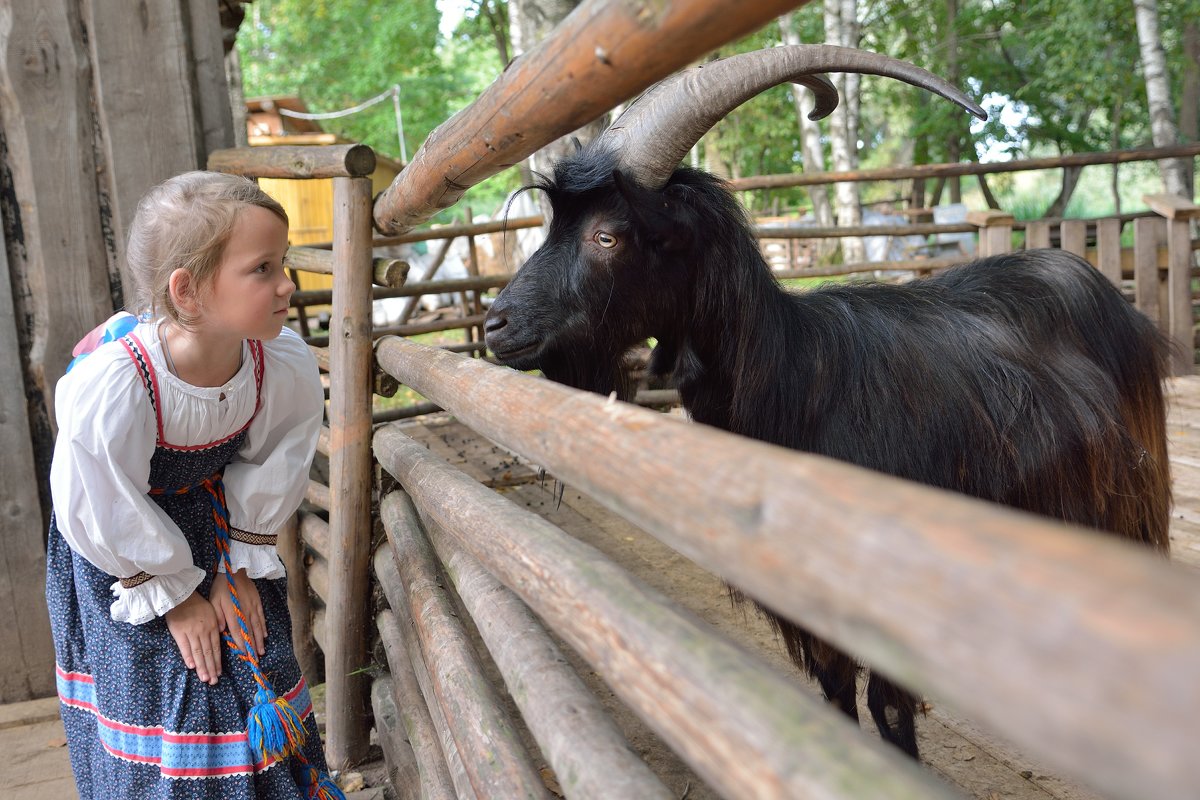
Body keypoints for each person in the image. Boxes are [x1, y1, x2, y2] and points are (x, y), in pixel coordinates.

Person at [45, 171, 343, 799]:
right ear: (189, 292)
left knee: (252, 654)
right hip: (124, 552)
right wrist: (174, 596)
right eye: (263, 269)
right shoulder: (121, 383)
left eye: (283, 263)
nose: (288, 284)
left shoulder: (275, 360)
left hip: (219, 531)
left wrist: (238, 565)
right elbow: (97, 499)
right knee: (183, 680)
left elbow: (269, 464)